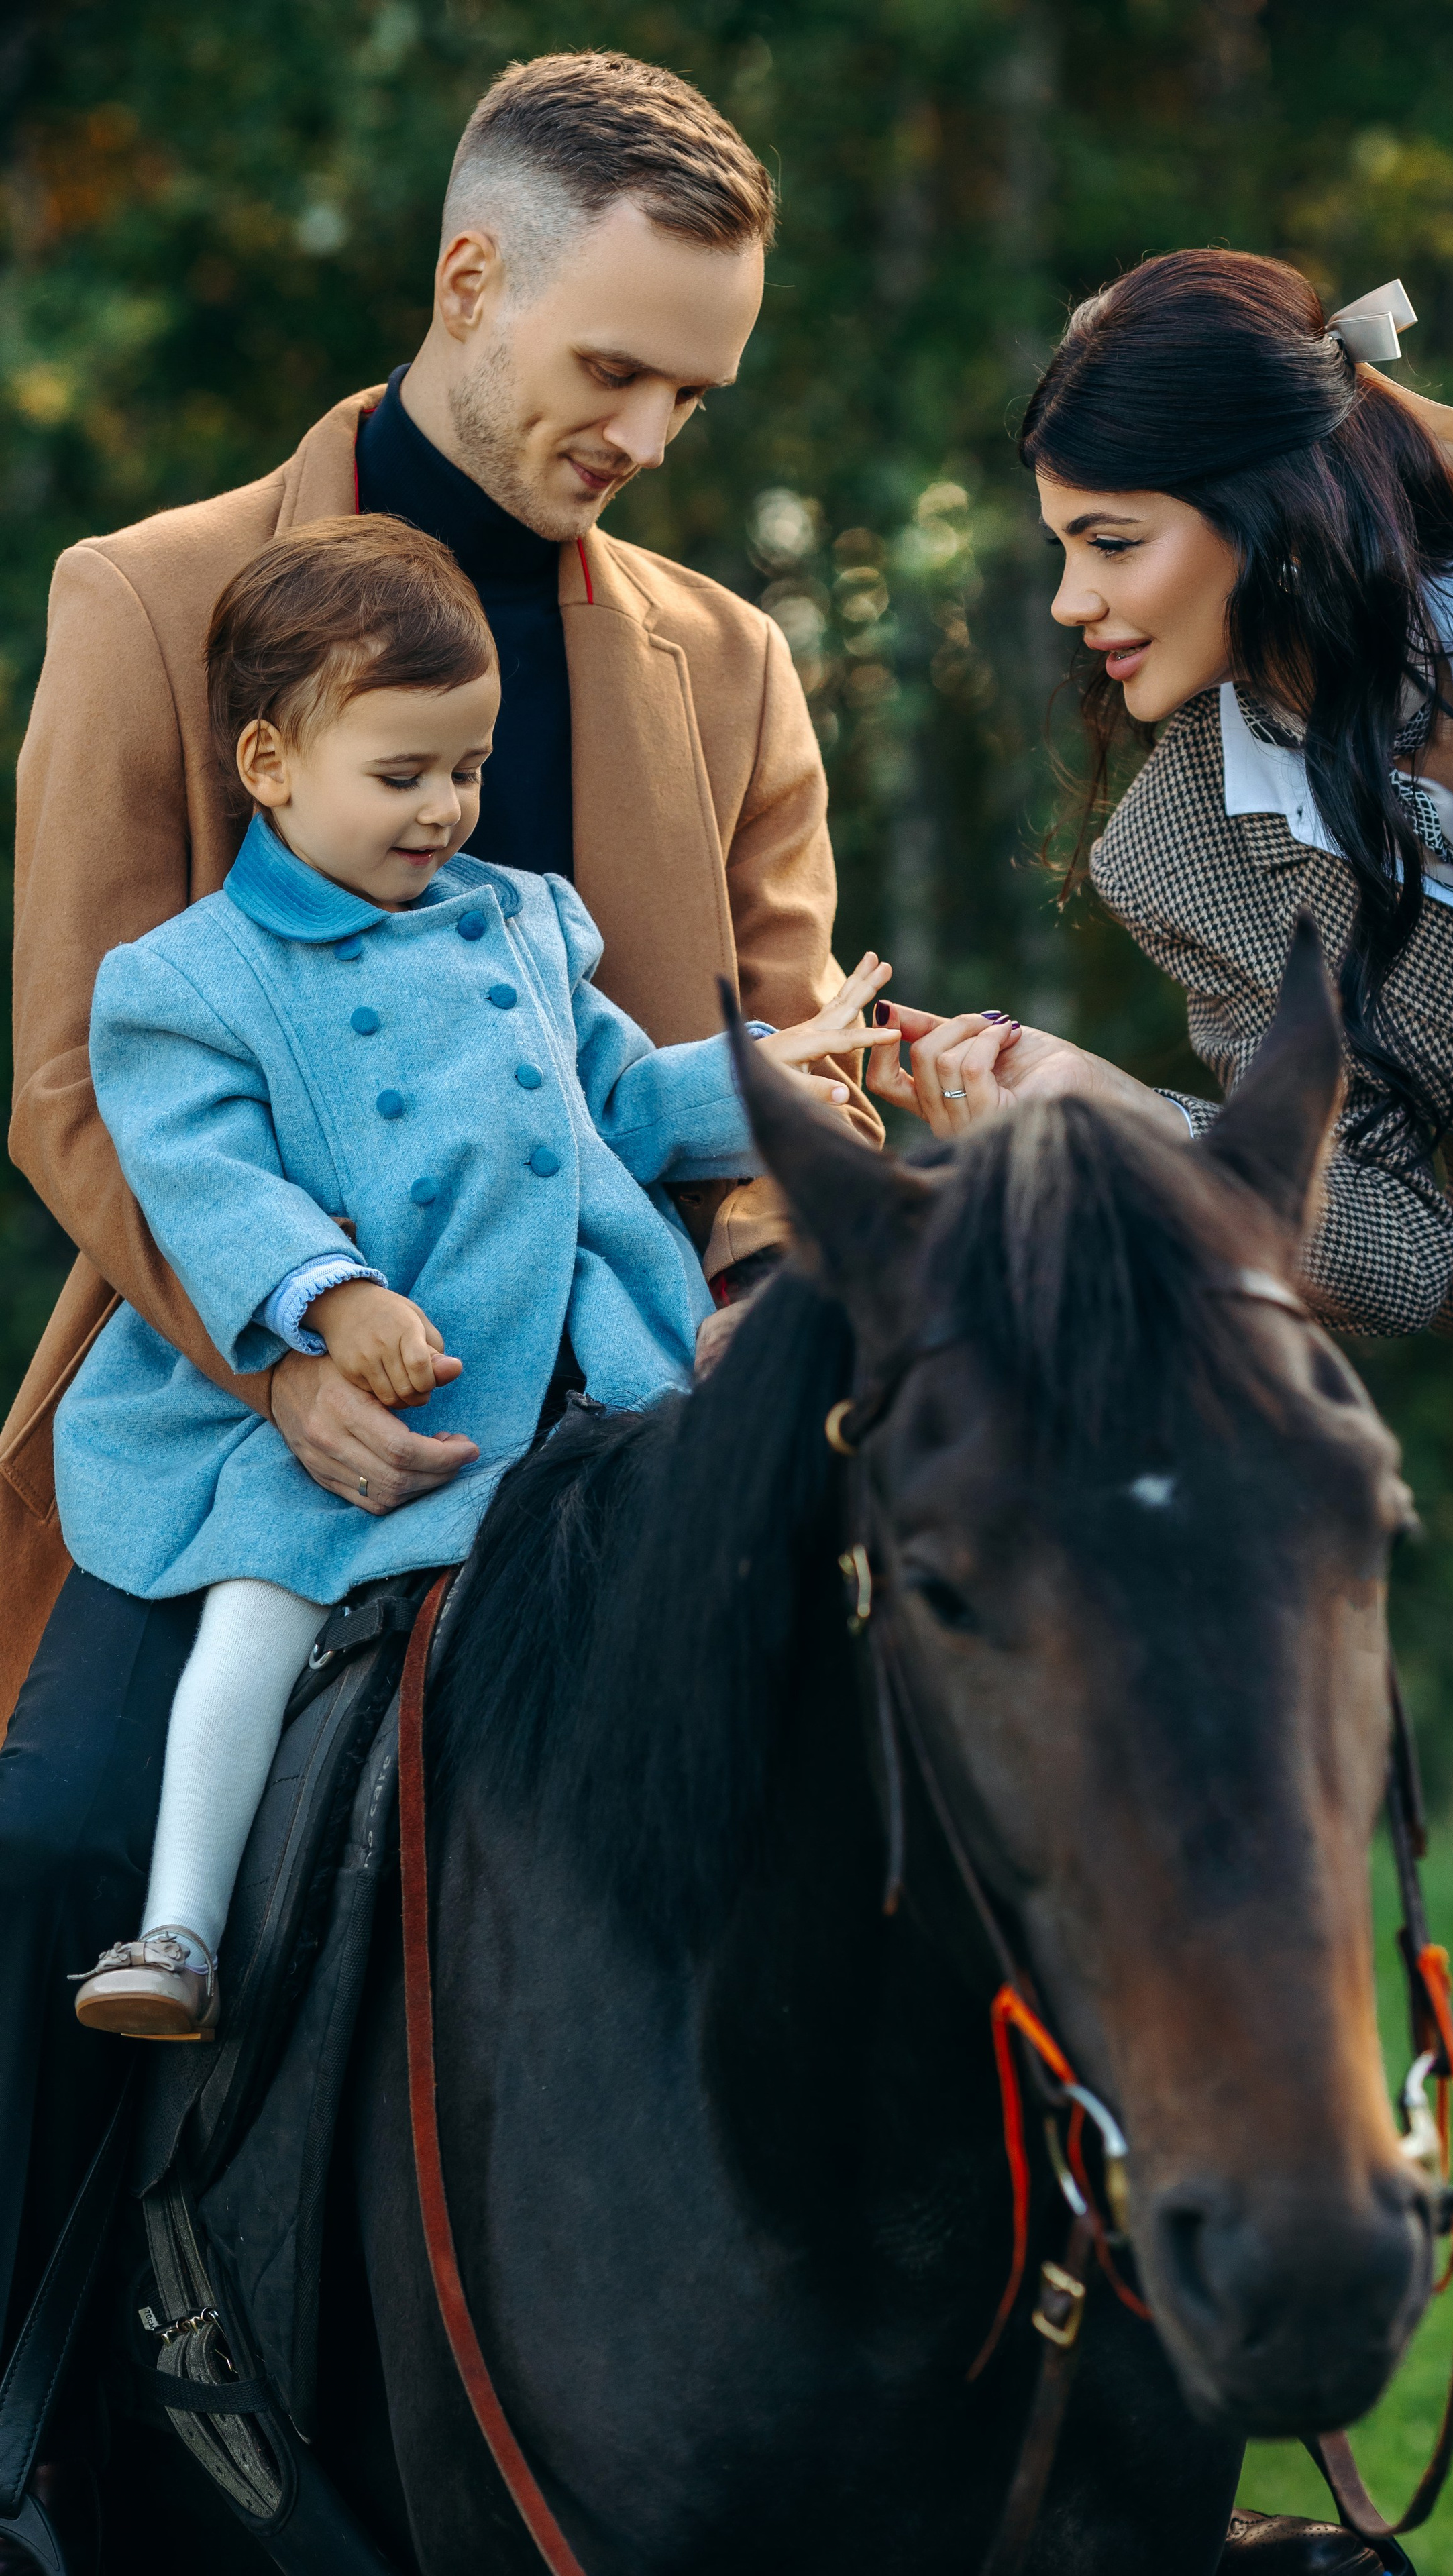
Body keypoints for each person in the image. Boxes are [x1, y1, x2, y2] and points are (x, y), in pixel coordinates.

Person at [0, 47, 879, 2553]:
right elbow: (76, 1073)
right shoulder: (153, 600)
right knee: (56, 1843)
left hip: (641, 1411)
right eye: (616, 370)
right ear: (470, 278)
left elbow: (752, 1112)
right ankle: (28, 2422)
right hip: (249, 1412)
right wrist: (287, 1346)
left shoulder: (727, 655)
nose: (655, 436)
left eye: (699, 393)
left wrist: (754, 1293)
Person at [867, 249, 1453, 2565]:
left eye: (1105, 539)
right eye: (1060, 549)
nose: (1068, 602)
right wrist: (1117, 1113)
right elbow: (1407, 1263)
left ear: (1264, 501)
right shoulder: (1179, 852)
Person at [62, 513, 891, 2040]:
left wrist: (776, 1070)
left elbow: (622, 1106)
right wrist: (327, 1297)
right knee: (259, 1606)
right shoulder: (184, 981)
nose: (445, 807)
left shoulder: (523, 919)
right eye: (402, 775)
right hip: (351, 1390)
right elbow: (202, 1181)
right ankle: (176, 1932)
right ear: (267, 766)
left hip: (578, 1348)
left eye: (467, 767)